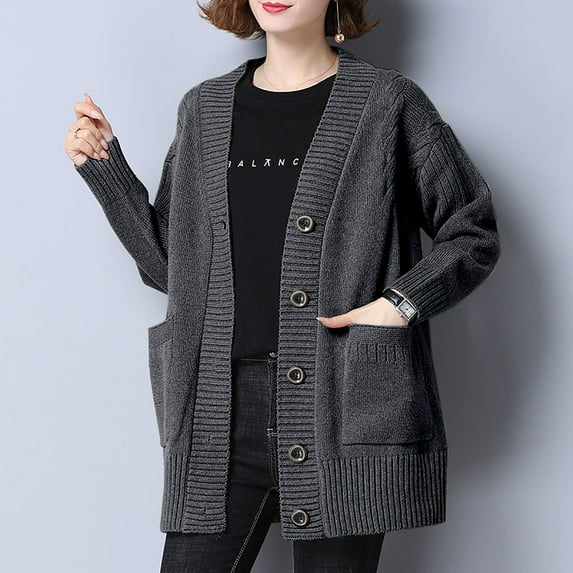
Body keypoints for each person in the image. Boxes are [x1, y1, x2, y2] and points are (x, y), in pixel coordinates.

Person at [63, 0, 501, 571]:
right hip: (219, 414)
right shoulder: (204, 110)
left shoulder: (387, 102)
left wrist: (399, 305)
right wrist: (105, 170)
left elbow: (472, 231)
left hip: (343, 403)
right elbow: (172, 269)